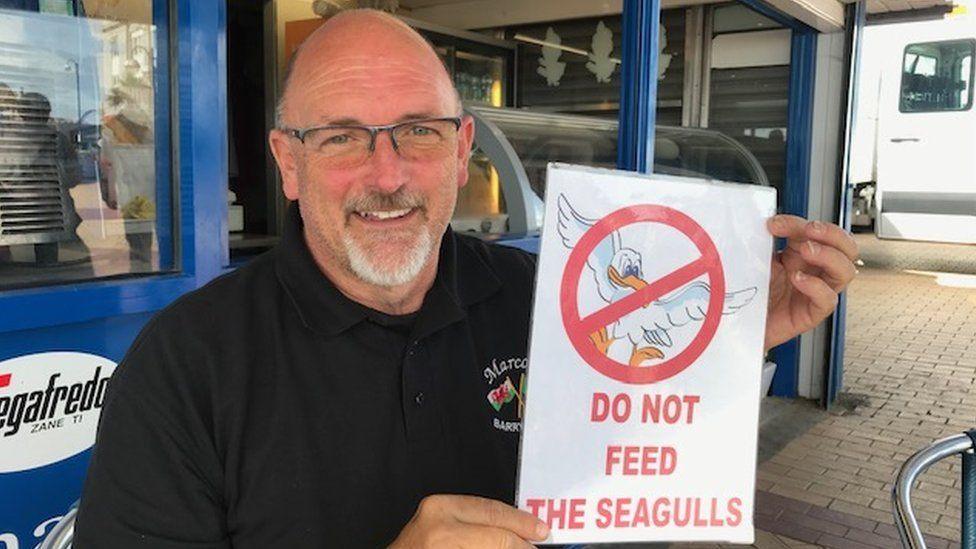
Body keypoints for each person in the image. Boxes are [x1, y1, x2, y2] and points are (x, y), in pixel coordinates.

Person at [74, 9, 858, 548]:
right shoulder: (186, 364)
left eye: (418, 130)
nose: (388, 175)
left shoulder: (542, 300)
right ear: (287, 161)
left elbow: (633, 461)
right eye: (344, 137)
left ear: (461, 150)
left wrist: (723, 340)